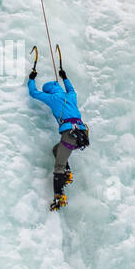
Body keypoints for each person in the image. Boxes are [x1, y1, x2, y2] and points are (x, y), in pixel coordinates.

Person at [27, 62, 89, 211]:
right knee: (56, 150)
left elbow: (34, 93)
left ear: (49, 92)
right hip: (81, 133)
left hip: (69, 134)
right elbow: (71, 88)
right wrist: (65, 77)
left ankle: (59, 196)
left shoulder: (52, 98)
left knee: (58, 166)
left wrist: (31, 78)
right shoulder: (70, 96)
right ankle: (67, 174)